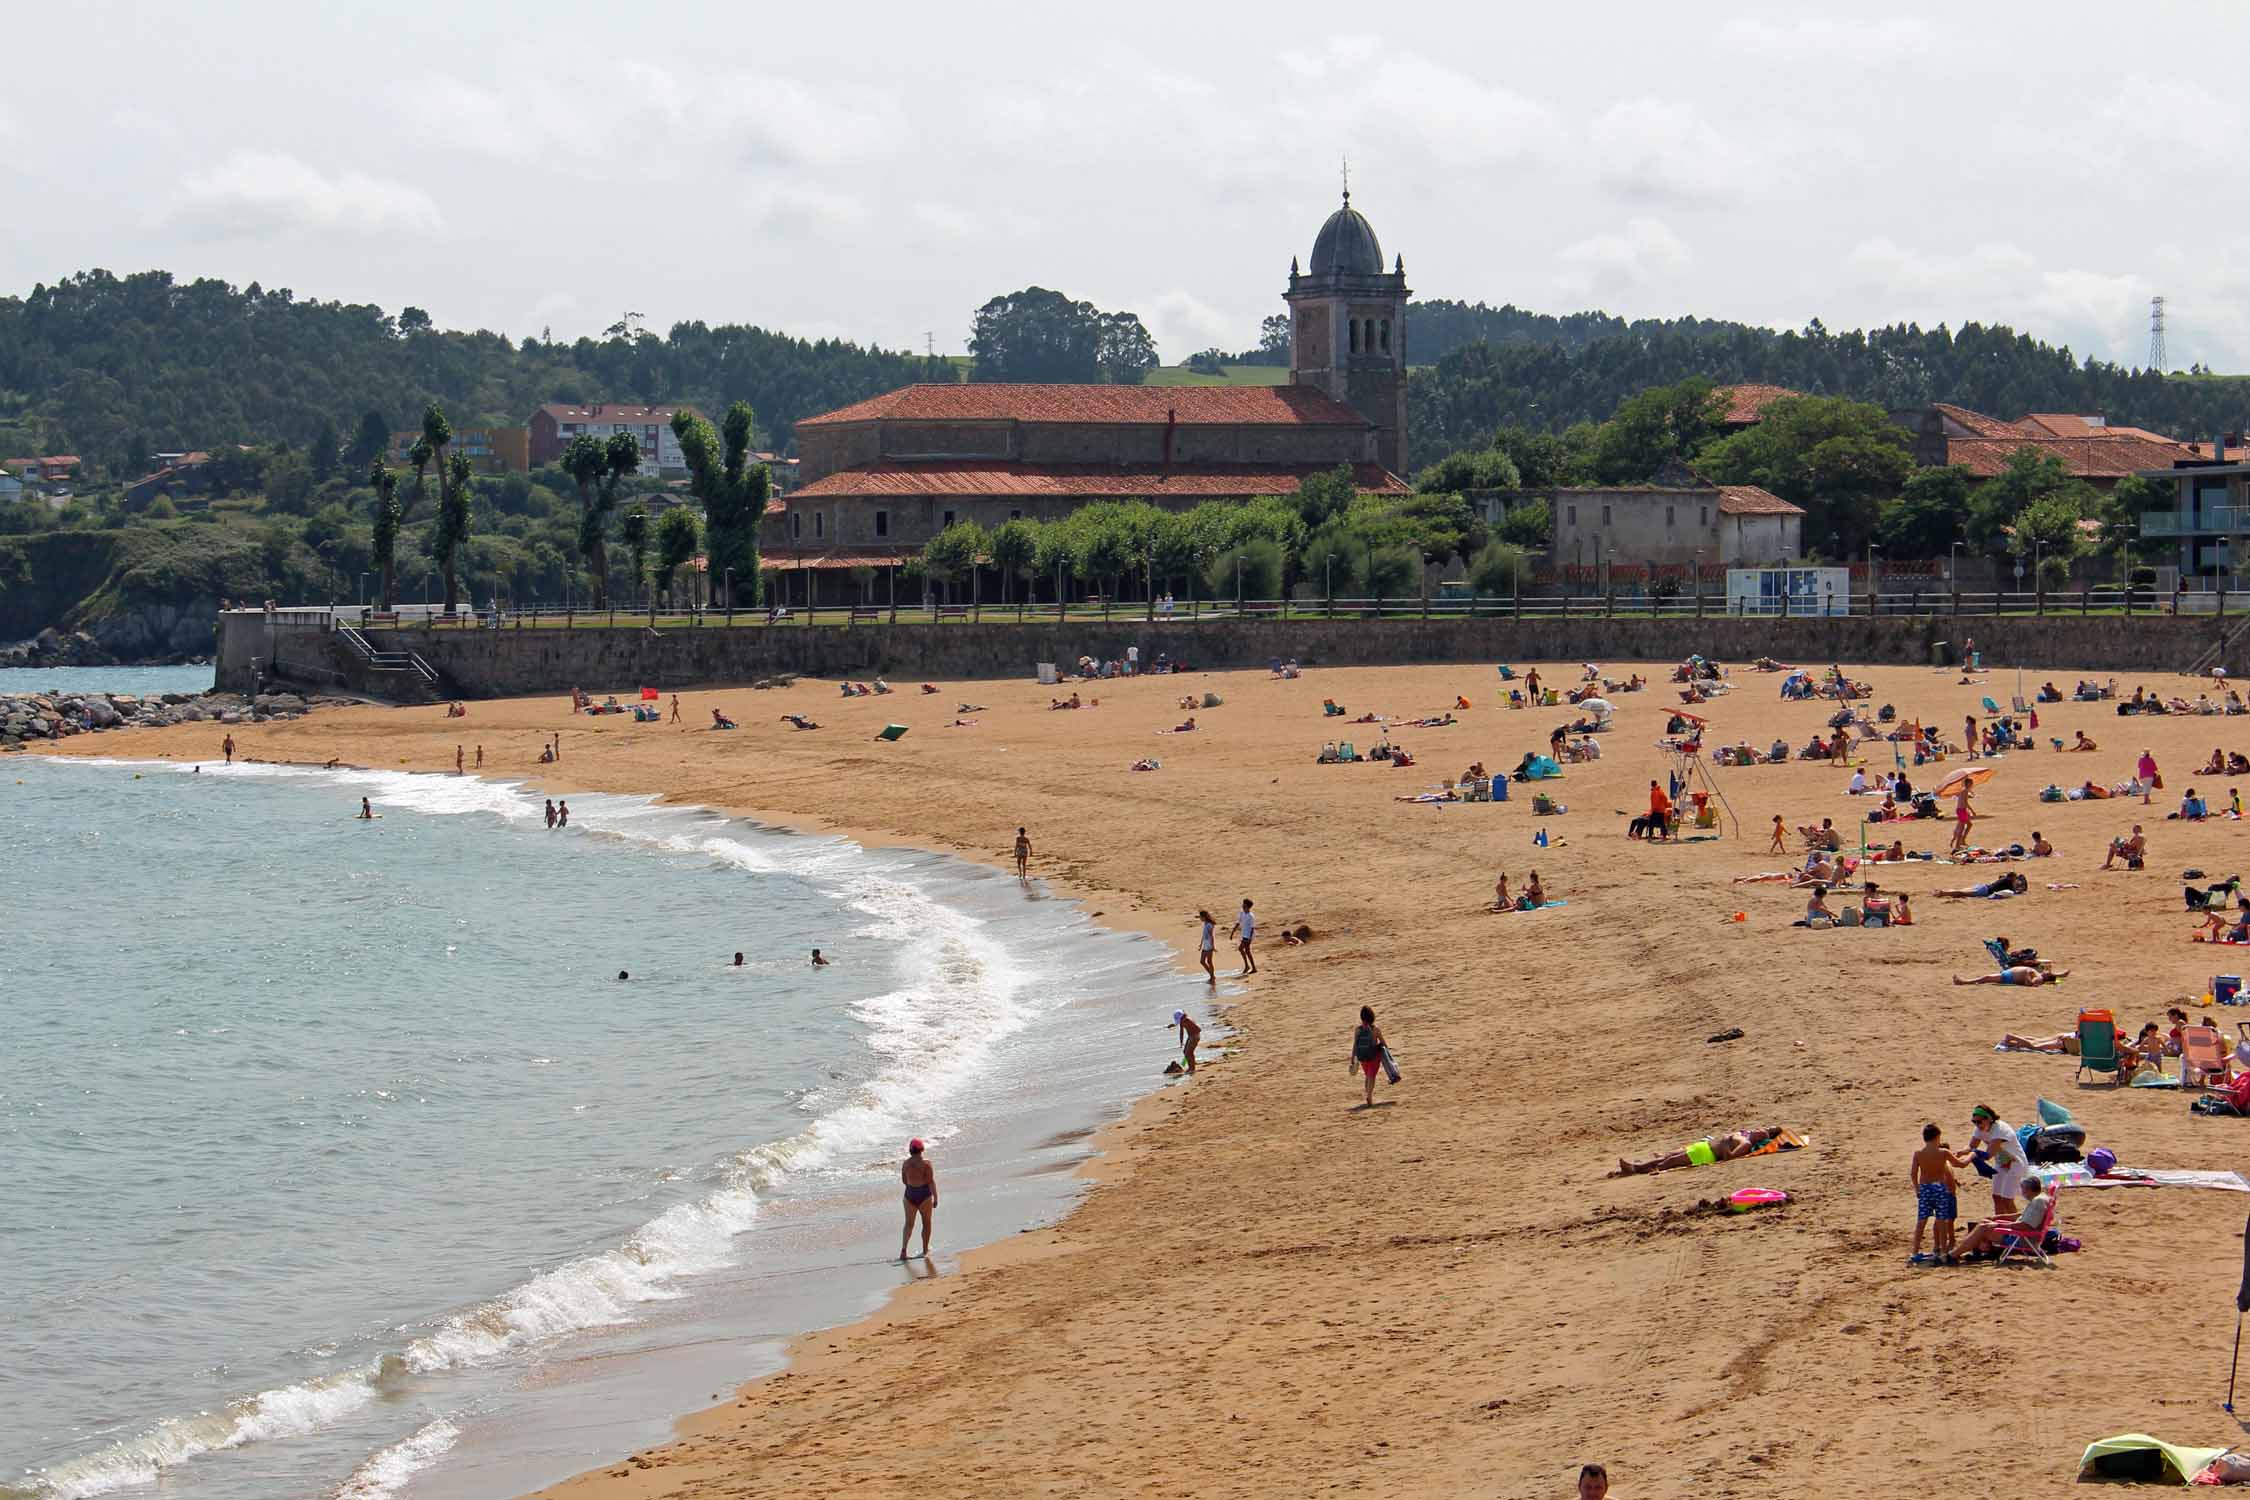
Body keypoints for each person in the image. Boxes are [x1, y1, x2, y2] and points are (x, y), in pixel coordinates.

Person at [1613, 1125, 1782, 1177]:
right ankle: (1637, 1167)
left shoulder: (1745, 1143)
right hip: (1703, 1146)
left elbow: (1729, 1158)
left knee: (1668, 1162)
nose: (1762, 1129)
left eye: (1766, 1131)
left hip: (1706, 1153)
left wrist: (1724, 1143)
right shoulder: (1744, 1133)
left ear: (1764, 1138)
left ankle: (1636, 1169)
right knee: (1668, 1156)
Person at [1954, 1175, 2051, 1260]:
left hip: (2022, 1239)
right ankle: (1974, 1252)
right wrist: (1998, 1217)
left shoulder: (2037, 1203)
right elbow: (2021, 1216)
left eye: (2023, 1189)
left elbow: (2024, 1225)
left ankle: (1953, 1255)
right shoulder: (2040, 1199)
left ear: (2029, 1190)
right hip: (2022, 1235)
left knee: (1983, 1228)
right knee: (1985, 1222)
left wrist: (1998, 1224)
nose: (2022, 1192)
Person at [1911, 1123, 1964, 1265]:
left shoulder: (1918, 1154)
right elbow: (1960, 1164)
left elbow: (1913, 1173)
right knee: (1941, 1220)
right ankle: (1942, 1252)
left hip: (1925, 1188)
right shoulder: (1943, 1153)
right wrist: (1972, 1155)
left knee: (1921, 1221)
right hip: (1939, 1188)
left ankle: (1914, 1252)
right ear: (1937, 1137)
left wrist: (1917, 1189)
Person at [1967, 1106, 2023, 1216]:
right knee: (1996, 1197)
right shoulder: (1980, 1129)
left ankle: (2019, 1229)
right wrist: (1957, 1154)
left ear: (1989, 1119)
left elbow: (1988, 1154)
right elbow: (1971, 1147)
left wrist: (1970, 1157)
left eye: (1979, 1122)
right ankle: (2000, 1228)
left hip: (2015, 1164)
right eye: (1974, 1122)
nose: (1977, 1125)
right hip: (2002, 1163)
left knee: (2007, 1200)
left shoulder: (1999, 1129)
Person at [899, 1139, 937, 1260]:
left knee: (909, 1224)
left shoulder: (906, 1164)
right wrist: (935, 1197)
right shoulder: (926, 1163)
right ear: (922, 1149)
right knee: (926, 1223)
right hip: (924, 1194)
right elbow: (931, 1181)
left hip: (910, 1194)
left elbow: (904, 1181)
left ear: (910, 1150)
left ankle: (904, 1250)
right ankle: (925, 1250)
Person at [1350, 1005, 1387, 1107]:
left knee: (1367, 1075)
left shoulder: (1358, 1030)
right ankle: (1369, 1095)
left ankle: (1367, 1092)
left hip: (1362, 1057)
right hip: (1373, 1056)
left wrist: (1352, 1057)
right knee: (1372, 1076)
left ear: (1362, 1017)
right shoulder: (1375, 1029)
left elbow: (1355, 1044)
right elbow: (1384, 1043)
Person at [1933, 872, 2029, 899]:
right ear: (2012, 878)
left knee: (1961, 891)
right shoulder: (2008, 882)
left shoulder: (2004, 879)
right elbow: (2013, 892)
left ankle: (1943, 891)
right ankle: (1943, 893)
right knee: (1962, 893)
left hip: (1983, 886)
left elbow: (2001, 876)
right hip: (1985, 891)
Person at [1954, 964, 2068, 986]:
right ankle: (1964, 982)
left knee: (1986, 978)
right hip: (2008, 974)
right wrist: (2061, 976)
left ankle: (1963, 982)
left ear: (2046, 977)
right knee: (1986, 978)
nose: (2047, 971)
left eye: (2048, 973)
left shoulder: (2039, 977)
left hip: (2008, 977)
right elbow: (2053, 977)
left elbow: (2033, 984)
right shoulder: (2040, 974)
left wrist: (2028, 974)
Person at [1233, 898, 1258, 975]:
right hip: (1244, 934)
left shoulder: (1251, 916)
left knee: (1242, 949)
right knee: (1246, 951)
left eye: (1244, 905)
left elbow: (1252, 928)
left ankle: (1250, 966)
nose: (1243, 906)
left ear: (1248, 907)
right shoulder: (1241, 913)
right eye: (1243, 905)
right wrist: (1233, 932)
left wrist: (1249, 938)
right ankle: (1250, 967)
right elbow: (1238, 922)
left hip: (1248, 935)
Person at [1174, 1009, 1201, 1073]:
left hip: (1194, 1036)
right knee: (1185, 1051)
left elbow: (1198, 1029)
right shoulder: (1182, 1021)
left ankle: (1192, 1068)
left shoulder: (1187, 1020)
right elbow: (1181, 1032)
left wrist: (1193, 1034)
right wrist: (1181, 1042)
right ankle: (1189, 1066)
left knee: (1189, 1052)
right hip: (1190, 1037)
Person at [1196, 908, 1217, 983]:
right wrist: (1201, 944)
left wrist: (1213, 946)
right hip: (1205, 943)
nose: (1200, 918)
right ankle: (1212, 975)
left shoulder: (1209, 925)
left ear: (1204, 917)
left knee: (1209, 961)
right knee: (1202, 961)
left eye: (1200, 917)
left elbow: (1211, 936)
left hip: (1209, 944)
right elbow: (1203, 935)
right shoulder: (1205, 924)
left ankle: (1212, 976)